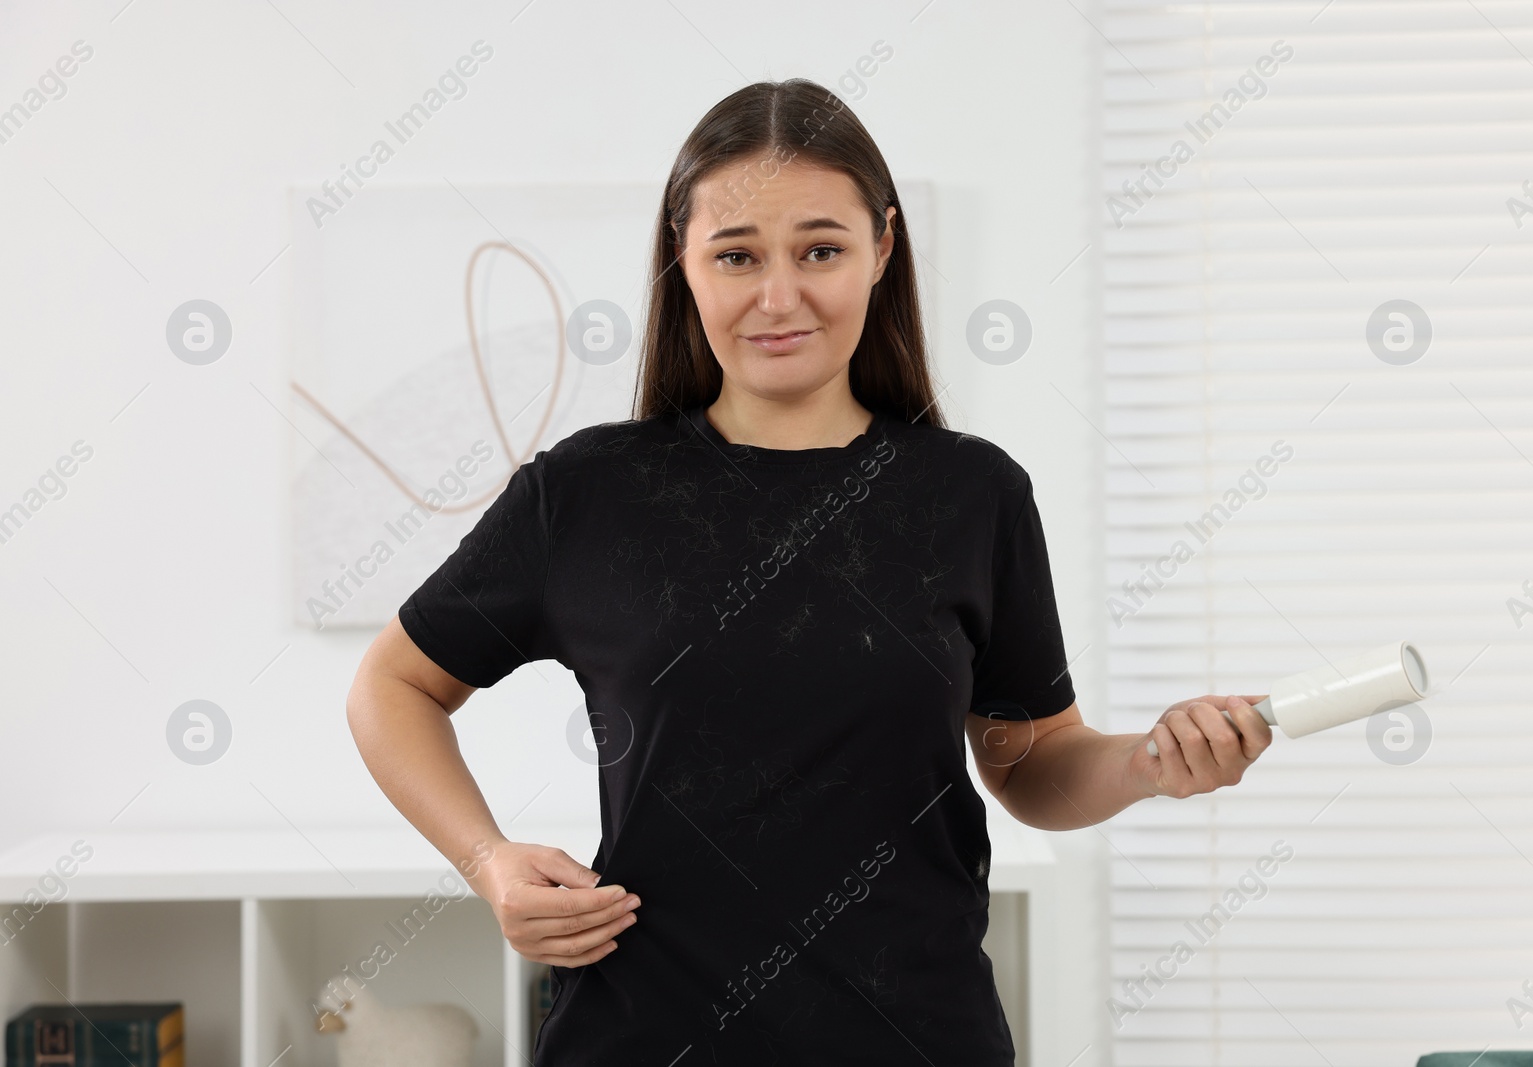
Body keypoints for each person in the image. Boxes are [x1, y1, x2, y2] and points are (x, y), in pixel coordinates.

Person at [345, 77, 1272, 1065]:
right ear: (682, 260)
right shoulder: (587, 492)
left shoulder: (972, 495)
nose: (776, 296)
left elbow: (1032, 763)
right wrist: (489, 862)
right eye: (736, 254)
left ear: (881, 247)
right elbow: (392, 684)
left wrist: (1147, 764)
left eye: (820, 250)